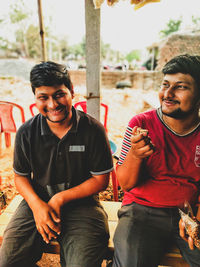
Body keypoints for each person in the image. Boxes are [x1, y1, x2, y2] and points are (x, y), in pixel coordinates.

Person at [0, 61, 113, 267]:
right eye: (43, 97)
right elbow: (21, 177)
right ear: (35, 98)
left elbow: (100, 180)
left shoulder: (93, 130)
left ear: (71, 92)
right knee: (9, 261)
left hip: (83, 206)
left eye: (59, 94)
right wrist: (36, 205)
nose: (52, 104)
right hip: (37, 200)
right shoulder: (27, 131)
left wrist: (60, 198)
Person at [112, 54, 200, 267]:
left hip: (188, 212)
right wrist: (135, 155)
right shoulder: (141, 124)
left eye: (180, 87)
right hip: (141, 211)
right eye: (165, 85)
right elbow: (125, 183)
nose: (167, 94)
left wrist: (197, 220)